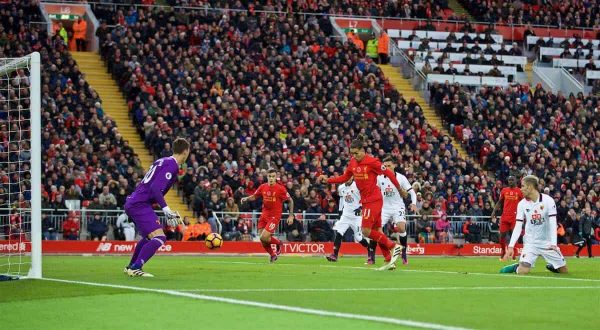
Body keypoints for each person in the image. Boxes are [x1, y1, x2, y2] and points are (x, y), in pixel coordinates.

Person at [318, 135, 405, 271]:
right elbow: (345, 177)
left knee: (365, 231)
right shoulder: (353, 162)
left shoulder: (372, 162)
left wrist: (399, 189)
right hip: (366, 201)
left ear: (363, 150)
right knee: (377, 231)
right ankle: (389, 260)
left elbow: (388, 173)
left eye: (356, 153)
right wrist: (328, 180)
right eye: (352, 153)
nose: (354, 156)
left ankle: (394, 246)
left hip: (374, 200)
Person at [123, 138, 190, 277]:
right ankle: (136, 267)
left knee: (149, 237)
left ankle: (131, 266)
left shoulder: (162, 161)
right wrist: (166, 209)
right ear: (185, 151)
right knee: (160, 238)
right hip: (139, 204)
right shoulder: (172, 165)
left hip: (136, 202)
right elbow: (155, 188)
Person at [500, 175, 568, 275]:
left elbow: (553, 223)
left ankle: (553, 266)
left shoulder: (548, 200)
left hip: (547, 242)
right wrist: (510, 246)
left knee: (564, 272)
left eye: (523, 186)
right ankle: (517, 267)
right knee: (523, 272)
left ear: (530, 187)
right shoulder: (522, 204)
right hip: (530, 242)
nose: (521, 189)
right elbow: (518, 226)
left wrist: (554, 243)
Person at [241, 169, 294, 263]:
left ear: (276, 177)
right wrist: (247, 198)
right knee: (263, 239)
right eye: (269, 176)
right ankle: (273, 255)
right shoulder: (263, 187)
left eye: (273, 176)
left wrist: (291, 215)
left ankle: (279, 243)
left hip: (274, 216)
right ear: (267, 177)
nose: (271, 178)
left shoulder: (280, 188)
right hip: (264, 215)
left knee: (263, 237)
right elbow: (254, 196)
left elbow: (290, 200)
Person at [378, 155, 417, 266]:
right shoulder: (379, 177)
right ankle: (379, 255)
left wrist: (413, 203)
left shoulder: (401, 178)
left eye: (389, 166)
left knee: (401, 228)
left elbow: (412, 192)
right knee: (376, 230)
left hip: (397, 206)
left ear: (394, 165)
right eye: (384, 166)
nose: (386, 168)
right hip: (384, 208)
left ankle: (403, 252)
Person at [326, 178, 373, 263]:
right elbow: (341, 199)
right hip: (346, 215)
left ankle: (370, 250)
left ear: (352, 177)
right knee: (339, 232)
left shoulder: (357, 186)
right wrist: (340, 211)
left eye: (349, 177)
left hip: (356, 217)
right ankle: (335, 255)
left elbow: (366, 197)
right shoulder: (341, 187)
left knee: (358, 238)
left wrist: (361, 207)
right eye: (346, 177)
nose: (347, 179)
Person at [491, 176, 523, 260]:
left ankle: (514, 254)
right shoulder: (504, 190)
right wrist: (494, 212)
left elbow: (524, 204)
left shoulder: (519, 191)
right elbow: (499, 202)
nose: (510, 181)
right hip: (505, 216)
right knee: (502, 235)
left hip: (515, 216)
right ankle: (503, 251)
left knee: (514, 235)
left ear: (516, 181)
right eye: (509, 180)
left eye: (512, 180)